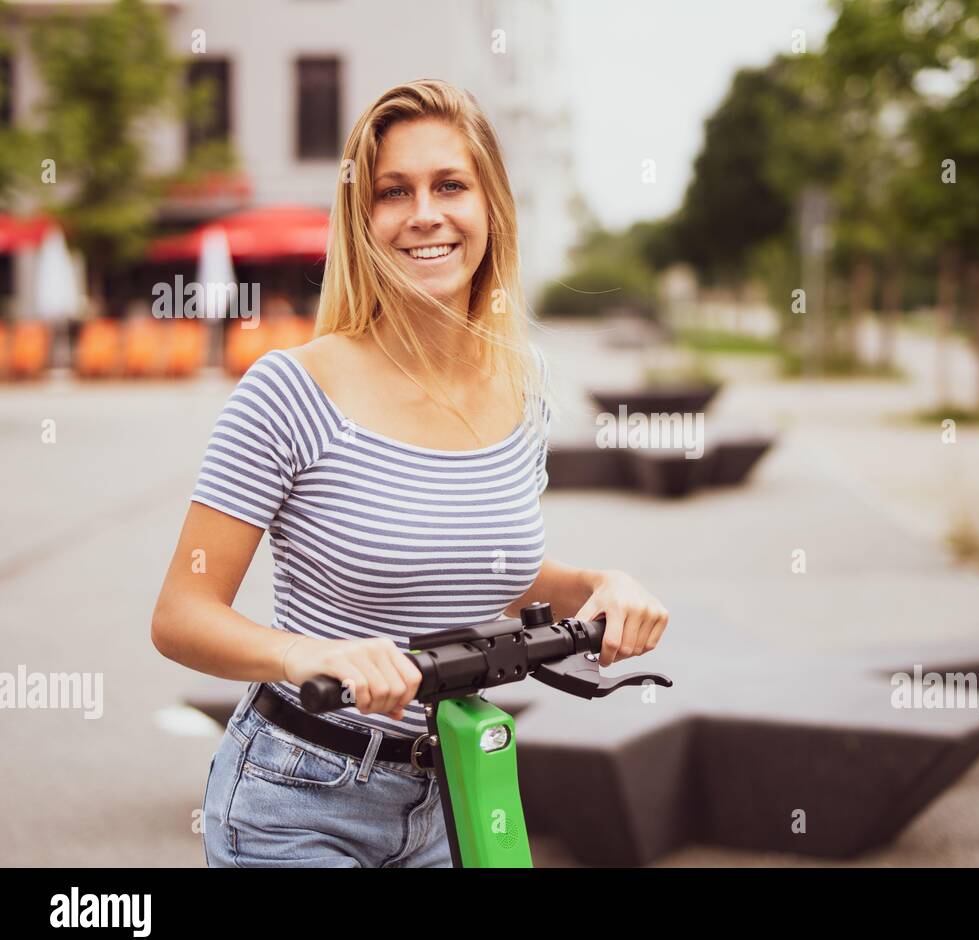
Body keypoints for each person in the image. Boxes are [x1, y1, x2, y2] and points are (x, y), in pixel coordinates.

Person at [151, 78, 669, 868]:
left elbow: (490, 569)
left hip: (451, 789)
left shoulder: (522, 383)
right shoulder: (291, 389)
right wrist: (306, 654)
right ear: (364, 223)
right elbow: (182, 614)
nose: (424, 212)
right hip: (297, 797)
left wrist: (603, 582)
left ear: (490, 206)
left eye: (449, 184)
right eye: (395, 191)